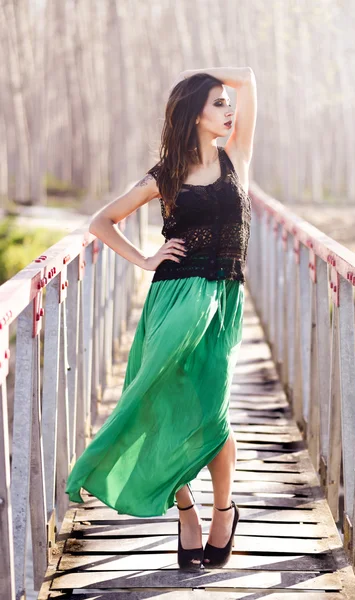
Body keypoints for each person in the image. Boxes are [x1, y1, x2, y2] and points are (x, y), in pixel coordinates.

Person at [65, 66, 257, 571]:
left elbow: (249, 81)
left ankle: (224, 509)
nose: (229, 110)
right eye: (217, 103)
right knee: (159, 403)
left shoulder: (236, 157)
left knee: (212, 409)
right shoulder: (165, 175)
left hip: (221, 303)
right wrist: (146, 259)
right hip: (172, 300)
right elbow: (100, 221)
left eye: (226, 103)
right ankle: (187, 512)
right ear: (194, 114)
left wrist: (215, 76)